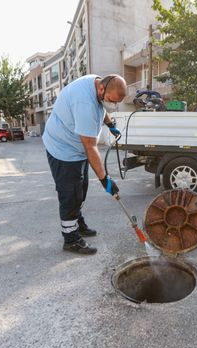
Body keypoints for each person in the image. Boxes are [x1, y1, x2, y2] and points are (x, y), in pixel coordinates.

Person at [43, 74, 126, 255]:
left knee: (81, 189)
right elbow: (90, 146)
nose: (112, 105)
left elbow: (103, 109)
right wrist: (105, 179)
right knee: (70, 194)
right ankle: (70, 238)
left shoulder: (97, 84)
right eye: (111, 101)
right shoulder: (84, 103)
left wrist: (110, 124)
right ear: (101, 89)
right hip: (62, 149)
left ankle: (77, 223)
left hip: (76, 149)